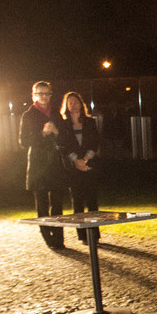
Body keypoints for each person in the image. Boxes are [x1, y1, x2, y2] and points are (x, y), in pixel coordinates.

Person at [19, 81, 67, 249]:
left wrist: (56, 132)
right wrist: (42, 133)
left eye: (46, 93)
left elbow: (65, 138)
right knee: (42, 204)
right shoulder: (28, 115)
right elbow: (23, 142)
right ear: (34, 96)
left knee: (57, 203)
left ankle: (59, 238)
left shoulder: (56, 113)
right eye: (40, 94)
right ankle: (49, 239)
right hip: (38, 165)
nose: (44, 97)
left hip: (54, 164)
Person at [59, 91, 102, 244]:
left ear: (80, 103)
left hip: (89, 165)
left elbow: (95, 141)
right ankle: (82, 235)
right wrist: (76, 161)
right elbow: (63, 145)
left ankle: (94, 234)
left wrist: (85, 159)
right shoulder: (63, 125)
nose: (73, 104)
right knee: (77, 202)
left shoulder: (90, 122)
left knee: (92, 201)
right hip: (73, 168)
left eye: (75, 101)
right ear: (66, 105)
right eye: (69, 102)